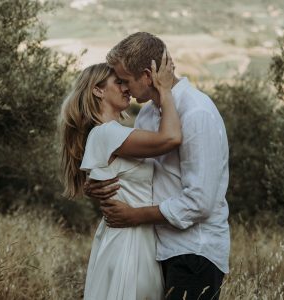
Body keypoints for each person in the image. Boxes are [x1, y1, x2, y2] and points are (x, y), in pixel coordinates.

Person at [85, 32, 230, 300]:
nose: (125, 89)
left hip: (194, 252)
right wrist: (100, 182)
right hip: (157, 250)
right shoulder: (149, 115)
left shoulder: (197, 113)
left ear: (147, 76)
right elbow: (144, 174)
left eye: (126, 81)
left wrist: (135, 216)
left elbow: (201, 201)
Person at [59, 51, 181, 300]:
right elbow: (170, 138)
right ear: (98, 91)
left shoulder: (110, 133)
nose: (126, 88)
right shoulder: (108, 134)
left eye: (126, 82)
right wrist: (166, 91)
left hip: (132, 236)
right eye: (119, 83)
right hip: (129, 242)